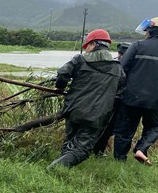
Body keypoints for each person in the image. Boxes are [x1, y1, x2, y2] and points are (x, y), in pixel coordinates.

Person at [48, 29, 125, 169]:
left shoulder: (79, 60)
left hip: (73, 110)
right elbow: (120, 89)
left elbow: (63, 74)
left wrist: (60, 87)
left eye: (87, 46)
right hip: (96, 115)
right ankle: (54, 169)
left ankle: (60, 169)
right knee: (82, 150)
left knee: (71, 140)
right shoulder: (117, 68)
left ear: (94, 44)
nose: (86, 49)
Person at [113, 17, 158, 165]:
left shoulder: (137, 46)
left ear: (152, 30)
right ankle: (141, 149)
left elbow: (121, 69)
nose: (145, 33)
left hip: (131, 97)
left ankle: (119, 162)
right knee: (155, 127)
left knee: (125, 131)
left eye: (147, 30)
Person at [92, 42, 131, 156]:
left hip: (119, 101)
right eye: (119, 53)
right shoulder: (114, 64)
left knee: (111, 128)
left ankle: (99, 150)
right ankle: (98, 150)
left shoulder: (118, 64)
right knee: (106, 127)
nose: (119, 56)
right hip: (112, 100)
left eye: (122, 54)